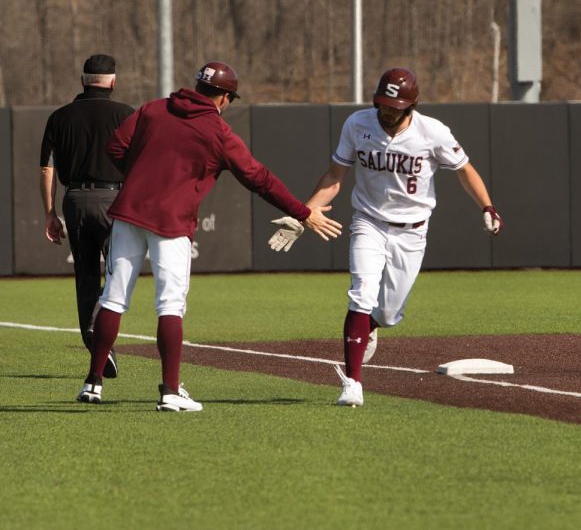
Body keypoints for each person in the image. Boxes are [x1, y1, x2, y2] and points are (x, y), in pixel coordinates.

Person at [76, 61, 342, 412]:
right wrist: (303, 212)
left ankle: (93, 383)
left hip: (129, 213)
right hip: (171, 224)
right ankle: (170, 391)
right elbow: (259, 178)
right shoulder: (218, 132)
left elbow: (115, 146)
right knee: (169, 304)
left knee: (113, 297)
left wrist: (140, 174)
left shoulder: (153, 109)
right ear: (225, 98)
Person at [271, 68, 503, 407]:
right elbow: (336, 176)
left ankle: (374, 324)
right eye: (383, 103)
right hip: (368, 221)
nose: (387, 111)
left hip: (412, 230)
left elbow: (464, 170)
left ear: (410, 105)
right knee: (361, 293)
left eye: (394, 105)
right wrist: (303, 212)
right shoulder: (357, 124)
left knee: (391, 312)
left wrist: (487, 205)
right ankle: (353, 383)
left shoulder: (432, 132)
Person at [40, 54, 134, 378]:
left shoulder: (60, 117)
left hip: (77, 200)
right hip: (115, 200)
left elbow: (47, 168)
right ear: (113, 81)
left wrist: (50, 212)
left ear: (82, 80)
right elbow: (140, 163)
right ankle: (104, 341)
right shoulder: (126, 114)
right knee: (117, 275)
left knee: (86, 277)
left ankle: (95, 340)